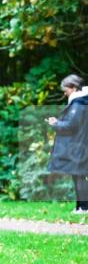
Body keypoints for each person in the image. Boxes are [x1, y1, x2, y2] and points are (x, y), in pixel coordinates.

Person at [47, 74, 88, 213]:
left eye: (66, 89)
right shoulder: (82, 102)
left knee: (79, 176)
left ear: (74, 88)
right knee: (78, 176)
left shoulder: (79, 104)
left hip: (78, 146)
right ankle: (81, 207)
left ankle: (84, 207)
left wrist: (55, 123)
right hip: (80, 145)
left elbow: (71, 126)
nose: (65, 93)